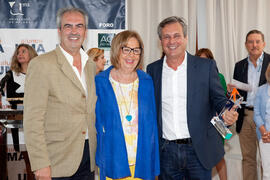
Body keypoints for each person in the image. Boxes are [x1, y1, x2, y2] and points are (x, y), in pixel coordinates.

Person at [146, 16, 238, 180]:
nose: (171, 41)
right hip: (166, 152)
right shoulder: (153, 70)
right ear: (160, 41)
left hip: (198, 150)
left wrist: (227, 112)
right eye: (166, 37)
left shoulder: (206, 66)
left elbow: (219, 99)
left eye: (177, 36)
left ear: (185, 38)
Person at [23, 7, 97, 180]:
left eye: (79, 26)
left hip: (88, 158)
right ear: (59, 31)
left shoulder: (90, 66)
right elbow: (33, 120)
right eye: (68, 26)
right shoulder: (41, 65)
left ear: (85, 32)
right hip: (56, 161)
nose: (74, 31)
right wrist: (40, 164)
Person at [95, 30, 160, 180]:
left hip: (142, 164)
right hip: (113, 163)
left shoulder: (147, 81)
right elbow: (96, 125)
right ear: (116, 50)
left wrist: (154, 164)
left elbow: (153, 127)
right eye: (126, 49)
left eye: (136, 50)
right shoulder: (101, 82)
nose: (131, 55)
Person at [227, 29, 270, 180]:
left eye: (257, 41)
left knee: (268, 160)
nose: (254, 45)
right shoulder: (239, 66)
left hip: (266, 118)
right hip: (245, 116)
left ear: (263, 43)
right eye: (251, 42)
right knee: (248, 159)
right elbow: (236, 97)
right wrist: (231, 91)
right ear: (246, 45)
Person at [0, 43, 38, 180]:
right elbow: (11, 99)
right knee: (28, 160)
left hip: (39, 121)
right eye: (18, 52)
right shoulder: (11, 76)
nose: (20, 54)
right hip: (20, 122)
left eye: (23, 51)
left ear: (31, 54)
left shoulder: (39, 74)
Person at [195, 48, 228, 180]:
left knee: (218, 155)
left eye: (206, 60)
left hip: (217, 121)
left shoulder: (219, 77)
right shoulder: (191, 78)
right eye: (200, 60)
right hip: (199, 123)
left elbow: (222, 101)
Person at [254, 64, 270, 180]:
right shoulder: (261, 90)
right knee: (267, 173)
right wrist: (265, 132)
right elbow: (257, 114)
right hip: (264, 137)